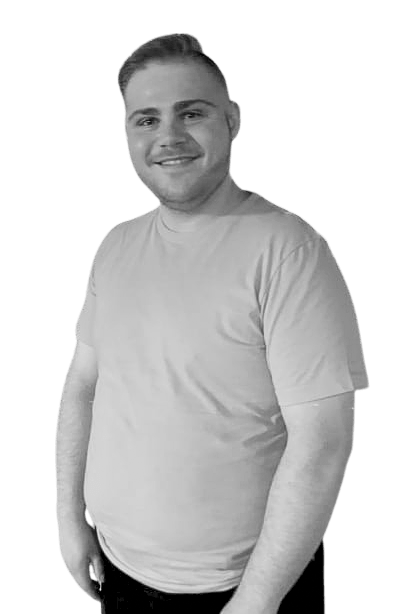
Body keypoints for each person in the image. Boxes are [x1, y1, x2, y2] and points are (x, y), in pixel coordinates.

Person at [55, 32, 370, 614]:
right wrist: (68, 517)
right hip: (118, 570)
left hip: (245, 589)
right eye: (146, 119)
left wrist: (255, 603)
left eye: (192, 113)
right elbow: (83, 385)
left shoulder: (290, 251)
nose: (168, 136)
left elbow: (323, 443)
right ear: (127, 133)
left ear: (233, 120)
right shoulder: (116, 245)